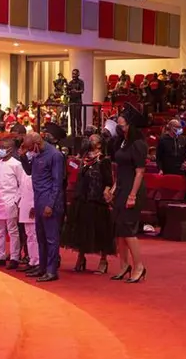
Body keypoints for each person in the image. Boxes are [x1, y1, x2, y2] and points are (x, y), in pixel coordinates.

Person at [63, 133, 114, 274]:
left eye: (92, 140)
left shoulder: (104, 160)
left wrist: (107, 192)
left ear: (99, 144)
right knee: (81, 230)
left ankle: (103, 260)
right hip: (81, 199)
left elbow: (109, 181)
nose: (89, 141)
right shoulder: (83, 159)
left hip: (96, 200)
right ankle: (81, 257)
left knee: (99, 231)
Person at [109, 104, 148, 283]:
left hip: (133, 189)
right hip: (122, 186)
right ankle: (124, 265)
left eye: (122, 125)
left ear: (130, 126)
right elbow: (120, 168)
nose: (119, 127)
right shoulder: (121, 142)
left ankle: (139, 265)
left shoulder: (139, 144)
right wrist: (115, 186)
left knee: (128, 228)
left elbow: (139, 171)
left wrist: (132, 195)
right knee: (119, 229)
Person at [20, 132, 64, 282]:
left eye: (31, 148)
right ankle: (42, 267)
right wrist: (23, 156)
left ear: (37, 144)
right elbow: (29, 172)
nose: (30, 151)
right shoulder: (37, 154)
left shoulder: (55, 155)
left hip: (49, 201)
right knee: (41, 237)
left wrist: (50, 204)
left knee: (51, 238)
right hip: (38, 199)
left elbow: (57, 183)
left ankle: (52, 271)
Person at [0, 138, 24, 269]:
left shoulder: (16, 164)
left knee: (13, 231)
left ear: (10, 149)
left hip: (10, 201)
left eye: (3, 147)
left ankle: (14, 257)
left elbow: (22, 184)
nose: (0, 149)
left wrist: (16, 201)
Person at [67, 69, 84, 136]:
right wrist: (68, 92)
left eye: (74, 74)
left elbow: (82, 91)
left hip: (78, 102)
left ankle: (79, 132)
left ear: (78, 74)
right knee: (72, 118)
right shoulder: (70, 83)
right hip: (71, 102)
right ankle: (73, 132)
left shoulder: (80, 82)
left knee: (78, 118)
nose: (73, 75)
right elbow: (68, 92)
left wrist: (75, 91)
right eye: (72, 74)